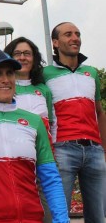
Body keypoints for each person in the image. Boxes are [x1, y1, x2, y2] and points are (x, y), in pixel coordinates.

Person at [0, 49, 69, 223]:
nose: (5, 80)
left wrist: (62, 219)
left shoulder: (34, 121)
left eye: (9, 73)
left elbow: (50, 178)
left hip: (31, 218)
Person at [43, 22, 106, 222]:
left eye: (77, 34)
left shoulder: (92, 73)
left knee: (99, 217)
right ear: (55, 42)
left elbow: (99, 113)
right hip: (62, 148)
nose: (75, 38)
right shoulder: (44, 74)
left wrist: (104, 149)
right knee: (58, 215)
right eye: (68, 34)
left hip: (95, 150)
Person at [4, 36, 54, 223]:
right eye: (17, 53)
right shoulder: (3, 88)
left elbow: (53, 123)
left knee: (48, 213)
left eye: (27, 53)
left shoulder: (43, 89)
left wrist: (53, 153)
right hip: (15, 161)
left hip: (43, 161)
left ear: (34, 58)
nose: (23, 57)